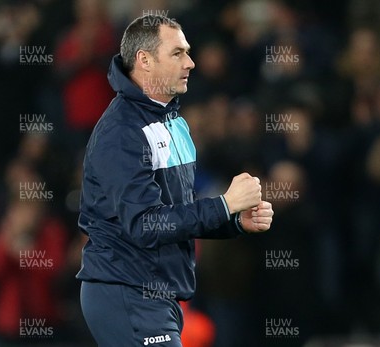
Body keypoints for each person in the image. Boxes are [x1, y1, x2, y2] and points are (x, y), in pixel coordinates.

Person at [76, 15, 274, 346]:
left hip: (157, 294)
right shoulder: (122, 133)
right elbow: (145, 224)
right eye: (178, 53)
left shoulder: (173, 122)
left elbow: (177, 217)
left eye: (188, 52)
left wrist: (234, 220)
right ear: (145, 61)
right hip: (127, 290)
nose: (191, 63)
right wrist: (223, 204)